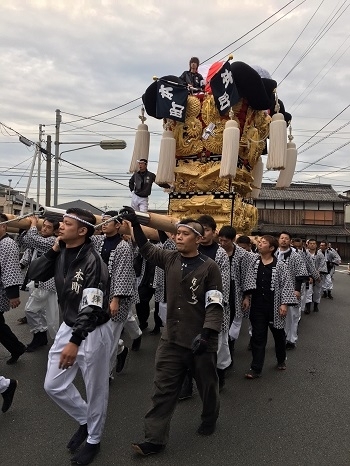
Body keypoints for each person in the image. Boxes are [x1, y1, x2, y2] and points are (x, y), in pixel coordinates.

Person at [117, 208, 223, 455]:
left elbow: (215, 303)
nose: (178, 237)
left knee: (207, 385)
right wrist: (135, 223)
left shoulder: (210, 267)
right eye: (178, 233)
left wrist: (207, 334)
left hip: (200, 340)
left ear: (198, 239)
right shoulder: (170, 259)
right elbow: (146, 249)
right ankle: (154, 438)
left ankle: (209, 418)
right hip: (172, 339)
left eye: (185, 234)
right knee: (163, 388)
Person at [28, 208, 112, 465]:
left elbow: (92, 307)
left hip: (93, 331)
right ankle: (86, 420)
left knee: (96, 389)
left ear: (83, 230)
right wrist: (53, 250)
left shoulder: (94, 263)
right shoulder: (62, 251)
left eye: (65, 223)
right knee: (53, 384)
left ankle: (94, 439)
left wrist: (75, 342)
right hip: (69, 325)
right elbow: (34, 273)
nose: (59, 227)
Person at [242, 235, 298, 378]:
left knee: (278, 335)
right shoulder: (254, 262)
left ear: (272, 248)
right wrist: (247, 297)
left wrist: (284, 304)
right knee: (258, 336)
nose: (259, 244)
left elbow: (286, 285)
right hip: (257, 306)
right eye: (259, 242)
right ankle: (256, 368)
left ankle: (280, 359)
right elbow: (248, 281)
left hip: (274, 306)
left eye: (263, 243)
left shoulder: (280, 265)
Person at [91, 211, 137, 376]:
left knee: (109, 340)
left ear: (118, 225)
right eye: (102, 221)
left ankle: (106, 374)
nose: (104, 224)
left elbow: (123, 274)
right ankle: (121, 350)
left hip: (116, 296)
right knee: (101, 335)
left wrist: (116, 299)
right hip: (98, 294)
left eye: (107, 222)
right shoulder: (98, 241)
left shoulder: (123, 247)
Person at [18, 215, 60, 351]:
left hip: (46, 282)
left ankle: (39, 334)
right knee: (41, 312)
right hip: (37, 281)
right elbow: (23, 241)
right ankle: (41, 338)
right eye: (44, 226)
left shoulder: (53, 241)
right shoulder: (40, 240)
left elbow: (32, 239)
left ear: (55, 231)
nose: (44, 229)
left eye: (49, 227)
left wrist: (33, 224)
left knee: (30, 310)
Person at [0, 213, 26, 365]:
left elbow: (10, 269)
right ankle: (16, 348)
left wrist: (13, 295)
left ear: (3, 226)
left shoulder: (8, 244)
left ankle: (16, 348)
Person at [276, 231, 308, 350]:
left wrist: (297, 289)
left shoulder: (295, 256)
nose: (283, 240)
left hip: (292, 289)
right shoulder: (274, 253)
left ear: (290, 241)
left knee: (293, 315)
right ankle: (281, 337)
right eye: (281, 238)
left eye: (286, 238)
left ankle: (291, 339)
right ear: (278, 240)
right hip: (277, 289)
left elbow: (300, 273)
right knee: (279, 315)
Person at [305, 239, 327, 312]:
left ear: (316, 245)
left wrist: (318, 274)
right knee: (308, 291)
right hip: (308, 276)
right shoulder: (305, 253)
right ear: (308, 244)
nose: (312, 245)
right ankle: (307, 308)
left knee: (317, 292)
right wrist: (309, 276)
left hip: (318, 276)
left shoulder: (320, 254)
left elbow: (322, 264)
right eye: (310, 243)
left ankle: (315, 305)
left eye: (314, 243)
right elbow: (303, 266)